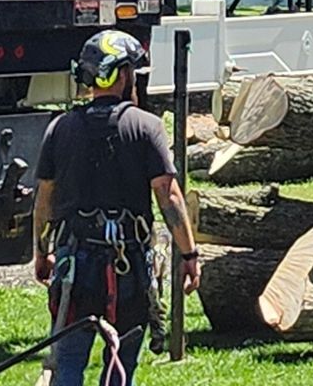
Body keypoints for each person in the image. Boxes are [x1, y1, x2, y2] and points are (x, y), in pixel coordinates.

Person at [32, 28, 199, 386]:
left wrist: (41, 252)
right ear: (123, 75)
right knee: (119, 365)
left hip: (74, 264)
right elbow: (168, 195)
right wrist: (189, 255)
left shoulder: (59, 128)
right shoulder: (146, 127)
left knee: (69, 362)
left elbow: (44, 200)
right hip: (128, 268)